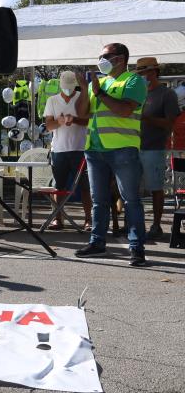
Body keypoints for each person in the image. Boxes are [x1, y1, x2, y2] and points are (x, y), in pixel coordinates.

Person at [74, 43, 148, 266]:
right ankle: (97, 243)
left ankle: (136, 248)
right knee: (99, 201)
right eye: (100, 55)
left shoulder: (134, 81)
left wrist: (98, 92)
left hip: (123, 148)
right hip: (95, 149)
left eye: (106, 56)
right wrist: (85, 89)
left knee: (131, 200)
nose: (101, 59)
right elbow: (82, 113)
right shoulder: (100, 82)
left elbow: (125, 110)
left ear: (121, 58)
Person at [136, 57, 179, 240]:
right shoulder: (136, 94)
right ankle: (134, 224)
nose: (142, 76)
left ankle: (156, 225)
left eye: (144, 72)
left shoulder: (167, 94)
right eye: (140, 73)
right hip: (132, 147)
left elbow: (170, 124)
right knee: (131, 189)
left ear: (154, 72)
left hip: (154, 148)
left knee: (156, 188)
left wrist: (146, 118)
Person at [43, 70, 92, 230]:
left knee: (85, 186)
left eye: (71, 87)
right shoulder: (52, 100)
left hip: (80, 149)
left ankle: (88, 220)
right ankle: (58, 219)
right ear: (60, 85)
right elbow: (49, 126)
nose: (68, 90)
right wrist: (61, 121)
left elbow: (89, 121)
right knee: (59, 187)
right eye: (65, 87)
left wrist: (75, 120)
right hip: (59, 150)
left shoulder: (82, 97)